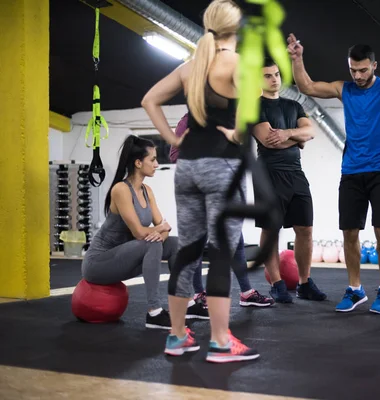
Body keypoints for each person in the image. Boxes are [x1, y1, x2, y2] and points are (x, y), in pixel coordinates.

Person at [141, 0, 259, 362]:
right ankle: (221, 341)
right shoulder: (237, 64)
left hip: (188, 166)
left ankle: (177, 337)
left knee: (189, 251)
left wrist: (173, 140)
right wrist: (238, 134)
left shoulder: (191, 66)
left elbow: (149, 100)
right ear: (236, 30)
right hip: (222, 166)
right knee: (222, 252)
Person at [287, 25, 380, 314]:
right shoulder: (344, 89)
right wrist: (297, 60)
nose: (358, 76)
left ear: (374, 65)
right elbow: (307, 87)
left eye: (363, 70)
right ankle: (355, 288)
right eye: (354, 70)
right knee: (349, 232)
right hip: (351, 171)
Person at [170, 113, 274, 312]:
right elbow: (175, 154)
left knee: (236, 240)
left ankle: (246, 293)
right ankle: (199, 293)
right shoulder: (188, 121)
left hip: (228, 188)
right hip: (200, 189)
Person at [82, 135, 181, 330]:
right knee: (152, 242)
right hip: (98, 264)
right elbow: (139, 233)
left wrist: (161, 231)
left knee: (176, 243)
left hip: (126, 258)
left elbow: (165, 227)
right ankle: (154, 312)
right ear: (138, 163)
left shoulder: (147, 191)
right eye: (152, 159)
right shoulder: (120, 189)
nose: (157, 164)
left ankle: (184, 303)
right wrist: (159, 230)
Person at [252, 58, 326, 303]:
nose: (274, 79)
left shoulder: (294, 105)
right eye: (268, 76)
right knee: (270, 230)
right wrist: (298, 137)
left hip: (296, 172)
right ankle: (277, 283)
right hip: (268, 174)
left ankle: (304, 283)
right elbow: (267, 140)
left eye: (276, 74)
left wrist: (287, 133)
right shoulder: (255, 107)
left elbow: (311, 132)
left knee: (305, 228)